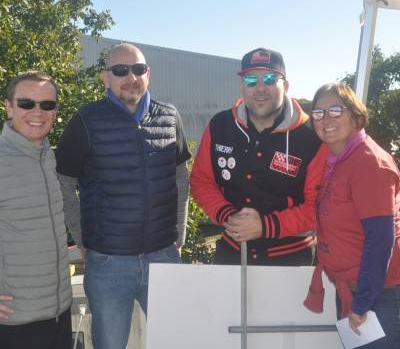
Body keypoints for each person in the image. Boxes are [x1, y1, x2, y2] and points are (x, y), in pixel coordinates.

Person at [56, 43, 191, 349]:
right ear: (106, 77)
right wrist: (83, 239)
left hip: (163, 257)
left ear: (148, 74)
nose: (131, 77)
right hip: (108, 265)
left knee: (179, 340)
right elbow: (64, 182)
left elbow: (180, 177)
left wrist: (179, 234)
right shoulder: (85, 120)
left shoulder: (170, 117)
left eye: (138, 69)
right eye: (120, 70)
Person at [190, 47, 327, 265]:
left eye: (270, 79)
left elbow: (320, 206)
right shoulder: (220, 126)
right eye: (251, 80)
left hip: (290, 259)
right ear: (242, 87)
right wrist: (228, 216)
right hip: (232, 251)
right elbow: (201, 181)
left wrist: (265, 226)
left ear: (286, 86)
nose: (260, 88)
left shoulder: (311, 135)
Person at [303, 82, 400, 348]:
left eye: (335, 110)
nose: (326, 119)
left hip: (378, 293)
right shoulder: (338, 159)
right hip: (352, 287)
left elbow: (381, 240)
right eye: (318, 113)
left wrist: (363, 302)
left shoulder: (369, 163)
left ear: (356, 116)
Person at [0, 71, 72, 349]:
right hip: (15, 323)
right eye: (26, 103)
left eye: (47, 104)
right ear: (9, 107)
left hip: (59, 314)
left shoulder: (47, 157)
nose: (37, 112)